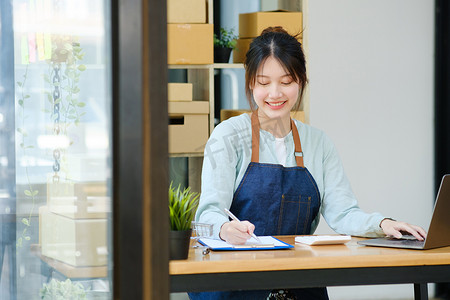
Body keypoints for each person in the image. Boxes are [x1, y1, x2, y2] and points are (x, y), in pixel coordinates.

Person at [188, 26, 427, 300]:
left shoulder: (318, 142)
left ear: (301, 81)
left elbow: (343, 212)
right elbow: (208, 213)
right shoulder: (227, 136)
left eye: (286, 81)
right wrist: (224, 228)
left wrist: (383, 224)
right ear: (251, 82)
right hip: (236, 281)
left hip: (298, 280)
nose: (275, 93)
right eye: (264, 83)